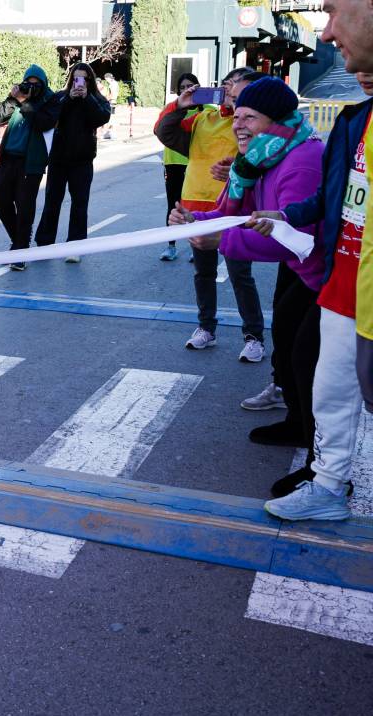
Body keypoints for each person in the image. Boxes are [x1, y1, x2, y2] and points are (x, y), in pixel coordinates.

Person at [245, 72, 372, 521]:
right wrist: (284, 213)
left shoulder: (301, 153)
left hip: (335, 276)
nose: (327, 32)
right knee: (327, 386)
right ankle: (329, 484)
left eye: (335, 11)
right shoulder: (355, 120)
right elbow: (332, 199)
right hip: (344, 280)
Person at [173, 78, 325, 451]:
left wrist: (220, 239)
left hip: (328, 275)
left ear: (276, 122)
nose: (238, 124)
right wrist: (194, 219)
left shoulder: (302, 161)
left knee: (306, 358)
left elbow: (293, 238)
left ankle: (316, 451)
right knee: (288, 341)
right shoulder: (256, 159)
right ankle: (296, 422)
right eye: (236, 115)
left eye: (249, 117)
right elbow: (231, 214)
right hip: (307, 273)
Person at [157, 67, 261, 353]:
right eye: (226, 85)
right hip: (197, 208)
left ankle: (254, 336)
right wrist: (181, 105)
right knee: (202, 273)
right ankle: (206, 327)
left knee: (240, 275)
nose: (229, 91)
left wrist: (238, 171)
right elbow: (164, 131)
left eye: (236, 87)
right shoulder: (203, 117)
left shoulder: (253, 124)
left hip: (234, 209)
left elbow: (262, 164)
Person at [34, 62, 112, 263]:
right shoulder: (60, 96)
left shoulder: (97, 99)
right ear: (71, 79)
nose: (80, 83)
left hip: (83, 160)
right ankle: (44, 245)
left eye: (84, 79)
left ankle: (75, 246)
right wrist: (68, 99)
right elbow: (46, 118)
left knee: (79, 204)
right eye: (77, 78)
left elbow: (102, 117)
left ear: (90, 80)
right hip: (59, 159)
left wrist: (86, 99)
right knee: (52, 202)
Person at [0, 64, 60, 270]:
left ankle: (20, 250)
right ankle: (19, 245)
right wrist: (13, 99)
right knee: (0, 202)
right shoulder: (17, 97)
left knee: (25, 207)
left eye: (36, 85)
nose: (31, 88)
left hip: (31, 162)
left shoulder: (51, 99)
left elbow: (44, 123)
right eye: (28, 84)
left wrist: (27, 103)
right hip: (8, 159)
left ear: (44, 84)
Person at [155, 73, 203, 262]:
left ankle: (197, 245)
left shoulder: (207, 111)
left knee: (196, 207)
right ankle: (171, 246)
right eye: (182, 87)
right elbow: (160, 128)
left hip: (195, 165)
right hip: (173, 163)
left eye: (190, 86)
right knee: (173, 205)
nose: (186, 90)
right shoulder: (172, 109)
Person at [101, 72, 120, 139]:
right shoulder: (115, 83)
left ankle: (111, 134)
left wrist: (105, 99)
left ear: (108, 78)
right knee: (111, 117)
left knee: (110, 118)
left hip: (111, 101)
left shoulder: (113, 84)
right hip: (113, 101)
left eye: (106, 79)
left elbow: (112, 94)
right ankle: (109, 133)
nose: (106, 81)